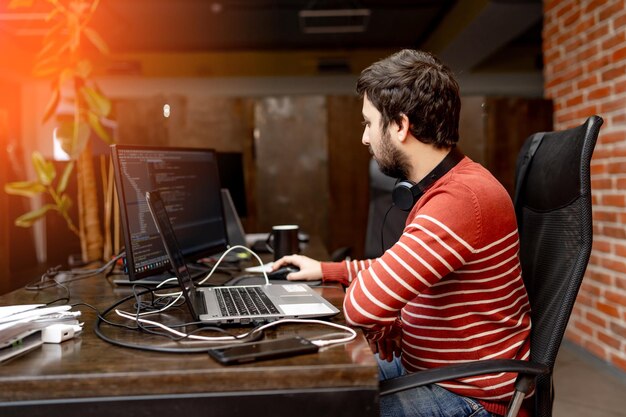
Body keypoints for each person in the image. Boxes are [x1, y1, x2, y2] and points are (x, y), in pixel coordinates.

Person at [272, 49, 531, 417]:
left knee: (320, 404)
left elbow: (362, 306)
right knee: (308, 380)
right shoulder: (448, 186)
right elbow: (394, 269)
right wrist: (329, 271)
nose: (364, 138)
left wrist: (384, 313)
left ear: (400, 126)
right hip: (430, 368)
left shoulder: (459, 199)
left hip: (468, 394)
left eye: (368, 123)